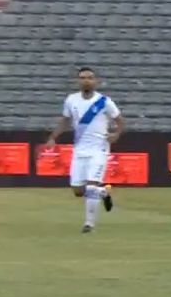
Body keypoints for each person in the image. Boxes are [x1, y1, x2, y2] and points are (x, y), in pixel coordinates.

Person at [46, 67, 124, 233]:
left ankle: (89, 224)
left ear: (95, 81)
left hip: (98, 149)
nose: (86, 81)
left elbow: (119, 120)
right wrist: (53, 137)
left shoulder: (104, 101)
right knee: (78, 191)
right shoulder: (71, 100)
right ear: (78, 81)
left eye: (89, 77)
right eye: (82, 78)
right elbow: (65, 120)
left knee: (90, 187)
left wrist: (116, 134)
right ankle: (104, 192)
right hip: (80, 150)